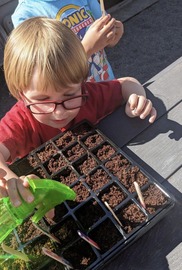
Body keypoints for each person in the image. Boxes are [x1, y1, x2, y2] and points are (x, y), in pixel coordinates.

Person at [0, 17, 156, 210]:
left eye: (69, 94)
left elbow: (127, 83)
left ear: (81, 82)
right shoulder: (20, 121)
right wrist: (9, 180)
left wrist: (136, 97)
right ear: (20, 94)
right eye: (42, 99)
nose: (58, 111)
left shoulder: (88, 95)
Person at [11, 0, 124, 82]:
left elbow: (106, 38)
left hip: (106, 82)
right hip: (72, 100)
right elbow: (45, 72)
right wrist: (87, 48)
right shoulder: (25, 15)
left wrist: (114, 34)